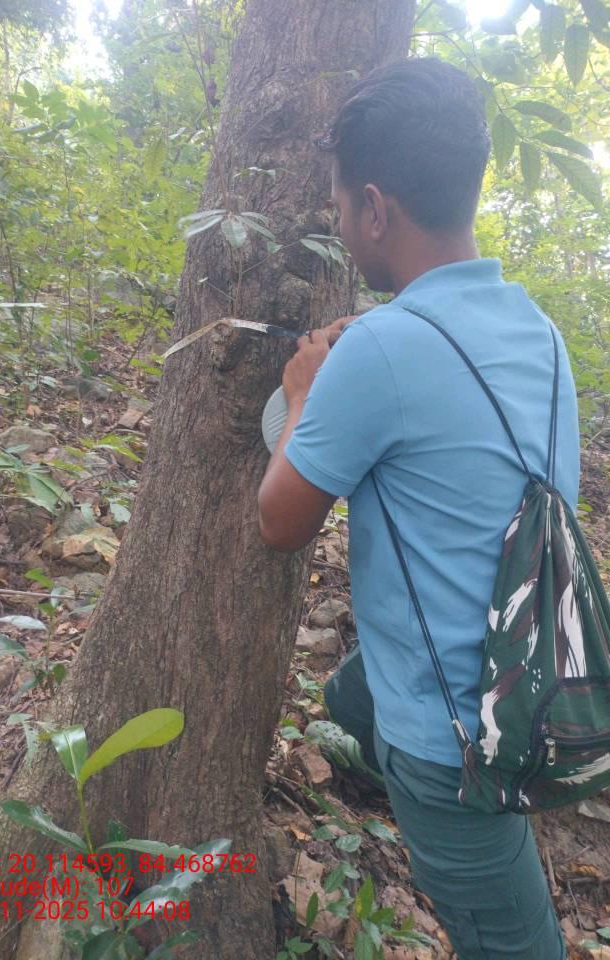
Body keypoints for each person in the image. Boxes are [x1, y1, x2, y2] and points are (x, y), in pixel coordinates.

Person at [257, 57, 579, 960]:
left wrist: (307, 392)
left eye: (339, 206)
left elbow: (280, 522)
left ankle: (414, 796)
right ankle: (374, 754)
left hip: (455, 747)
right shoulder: (539, 331)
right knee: (347, 694)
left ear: (373, 207)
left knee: (518, 945)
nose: (341, 224)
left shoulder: (380, 351)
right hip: (538, 672)